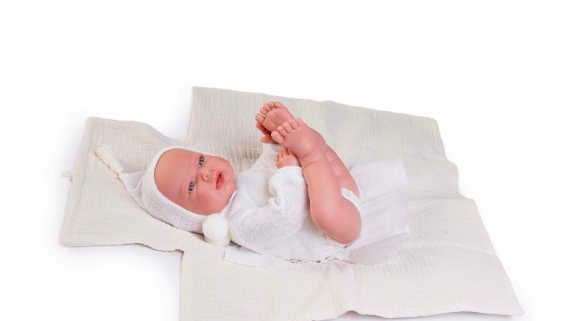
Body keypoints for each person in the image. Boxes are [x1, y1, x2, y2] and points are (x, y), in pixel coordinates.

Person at [96, 101, 409, 263]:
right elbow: (286, 218)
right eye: (191, 186)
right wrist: (291, 170)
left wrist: (274, 145)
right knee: (322, 209)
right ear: (196, 218)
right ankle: (312, 151)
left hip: (338, 187)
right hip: (337, 230)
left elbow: (264, 170)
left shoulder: (241, 183)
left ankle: (309, 146)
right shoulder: (240, 227)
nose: (204, 173)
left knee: (310, 157)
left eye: (200, 161)